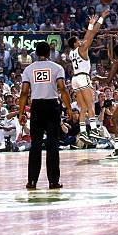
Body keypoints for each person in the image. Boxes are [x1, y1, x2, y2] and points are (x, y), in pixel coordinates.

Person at [19, 41, 72, 190]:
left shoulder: (29, 69)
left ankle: (32, 181)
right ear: (49, 53)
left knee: (35, 145)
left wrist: (21, 112)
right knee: (52, 144)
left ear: (35, 54)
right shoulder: (57, 68)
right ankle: (53, 181)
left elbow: (24, 92)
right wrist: (68, 107)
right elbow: (62, 88)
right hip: (52, 107)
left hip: (36, 107)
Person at [67, 11, 108, 143]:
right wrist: (100, 19)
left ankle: (83, 132)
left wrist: (90, 27)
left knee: (83, 107)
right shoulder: (82, 49)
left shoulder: (71, 53)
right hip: (83, 78)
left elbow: (88, 36)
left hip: (74, 80)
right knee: (90, 105)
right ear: (75, 44)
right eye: (78, 40)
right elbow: (91, 35)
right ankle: (95, 130)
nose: (80, 41)